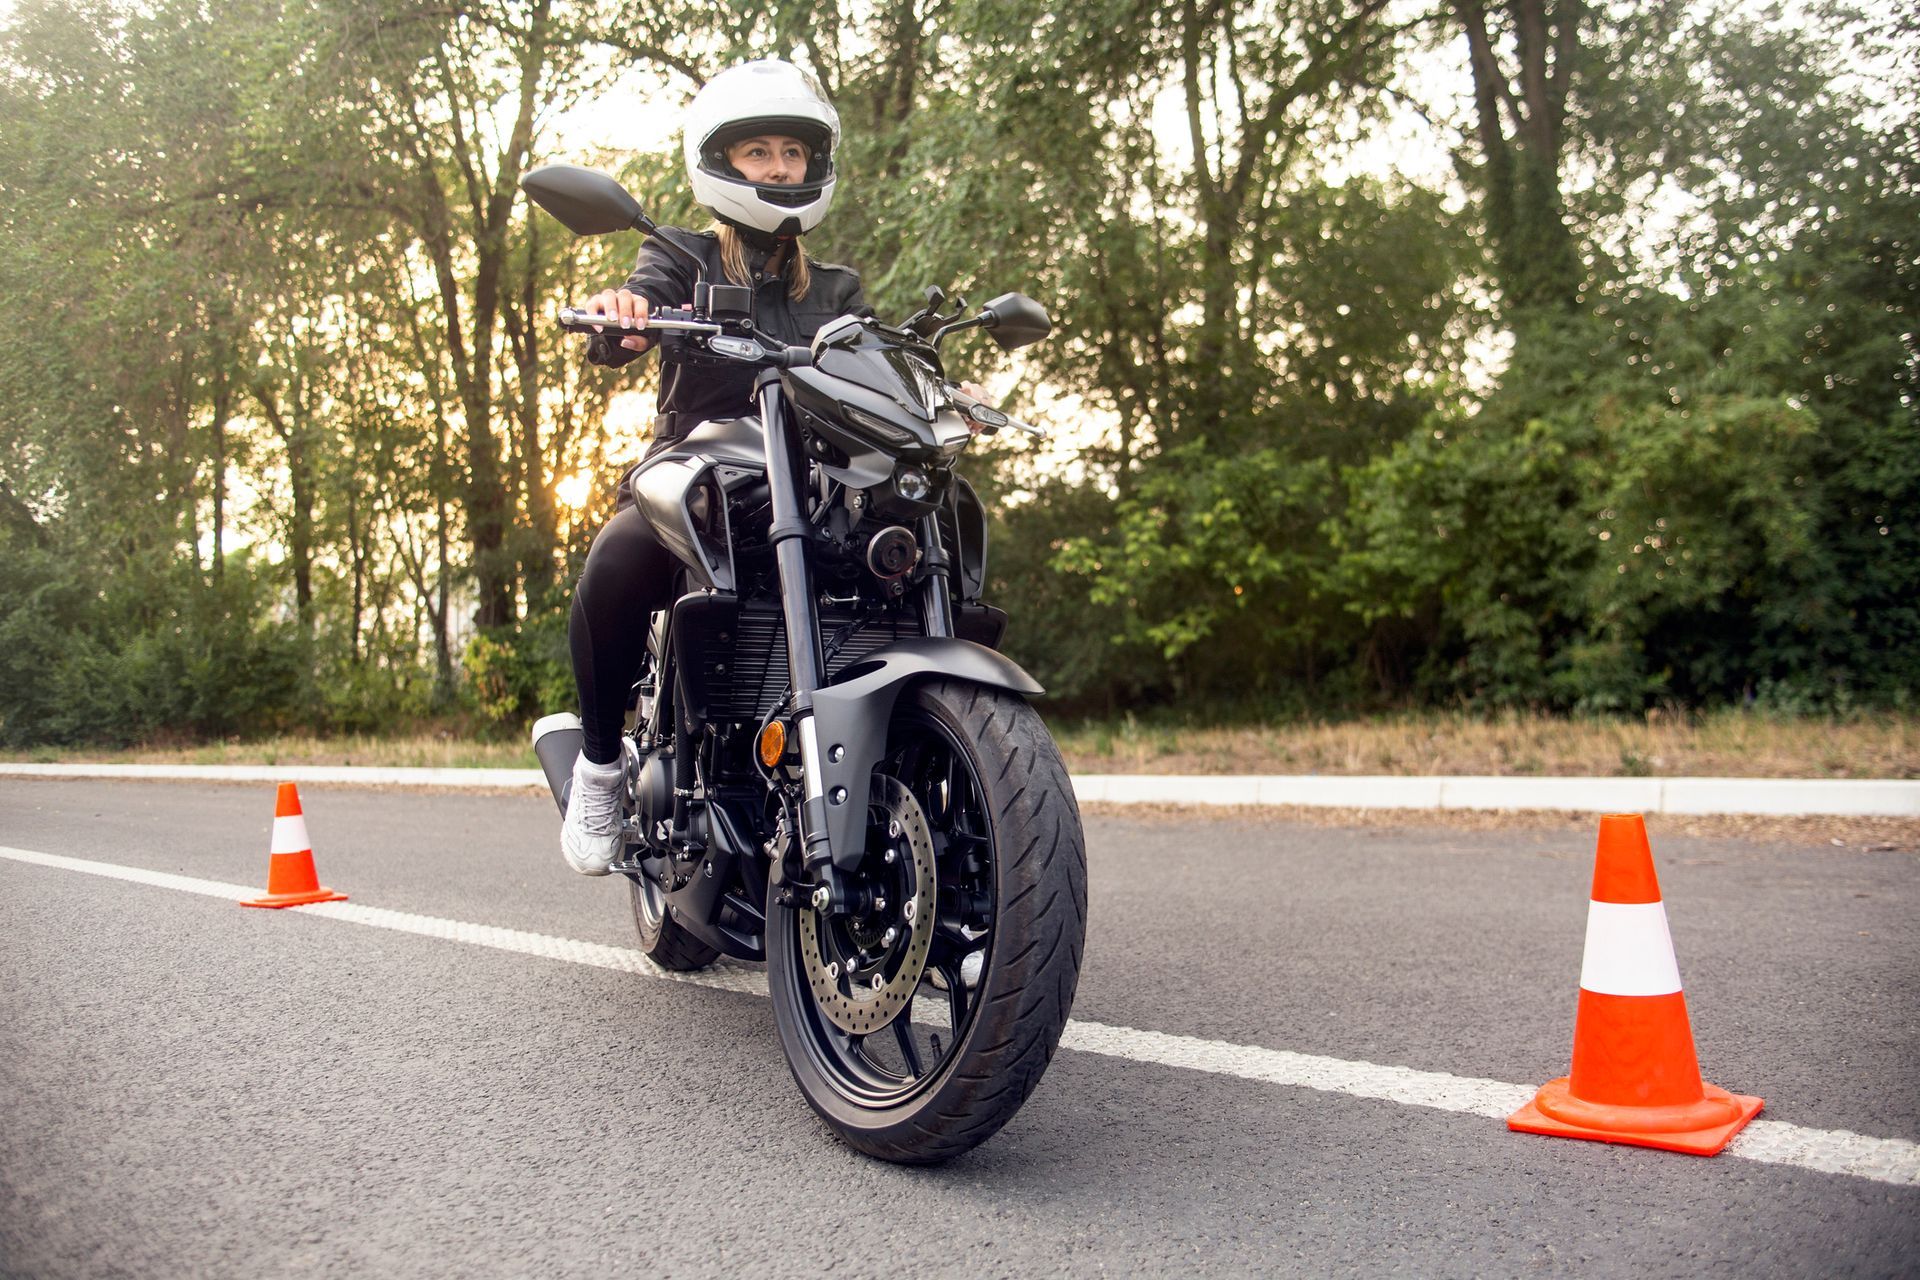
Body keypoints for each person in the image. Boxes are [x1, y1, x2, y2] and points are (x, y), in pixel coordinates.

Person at [559, 59, 869, 875]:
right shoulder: (681, 256)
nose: (777, 168)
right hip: (700, 476)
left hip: (807, 485)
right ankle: (597, 765)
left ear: (813, 166)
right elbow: (625, 322)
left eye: (791, 154)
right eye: (758, 152)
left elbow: (875, 364)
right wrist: (622, 318)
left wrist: (940, 382)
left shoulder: (836, 288)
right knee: (621, 552)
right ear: (723, 163)